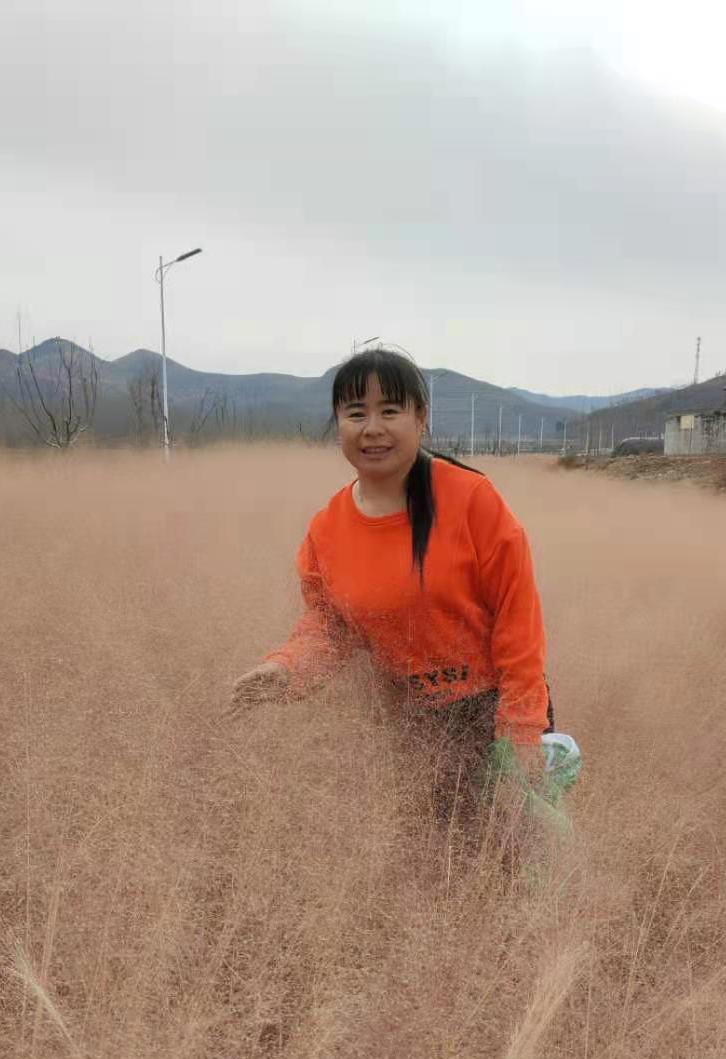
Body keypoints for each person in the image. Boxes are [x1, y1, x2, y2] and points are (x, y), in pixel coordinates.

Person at [226, 347, 559, 841]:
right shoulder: (327, 530)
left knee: (514, 853)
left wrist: (521, 731)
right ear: (337, 423)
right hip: (410, 721)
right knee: (431, 856)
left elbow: (518, 621)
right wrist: (286, 669)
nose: (372, 428)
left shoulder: (471, 500)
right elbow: (331, 627)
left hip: (491, 711)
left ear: (420, 418)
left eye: (390, 411)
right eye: (356, 413)